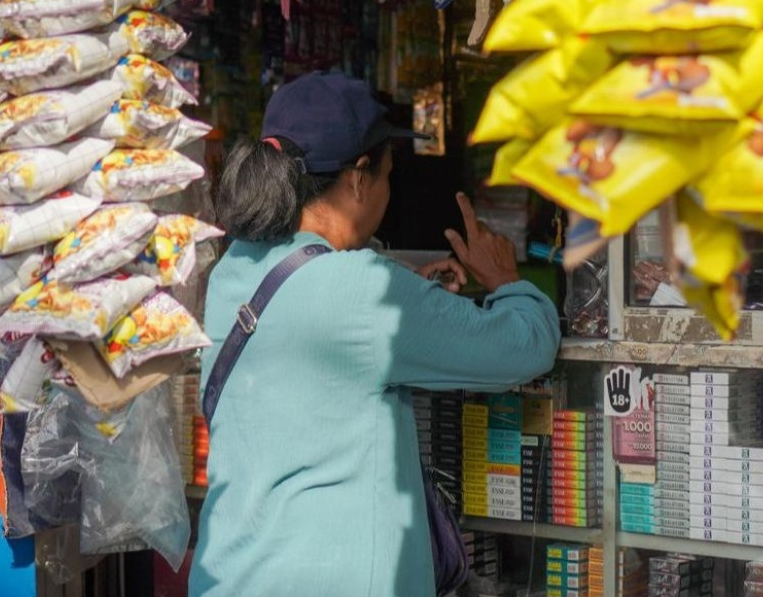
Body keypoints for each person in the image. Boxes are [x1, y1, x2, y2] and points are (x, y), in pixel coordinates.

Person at [189, 72, 561, 597]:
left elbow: (318, 304)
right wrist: (507, 282)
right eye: (388, 174)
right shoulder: (365, 293)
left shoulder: (234, 270)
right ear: (359, 179)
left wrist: (405, 285)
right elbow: (525, 347)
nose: (390, 189)